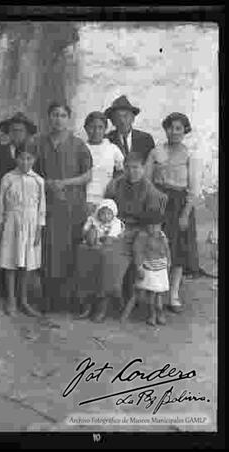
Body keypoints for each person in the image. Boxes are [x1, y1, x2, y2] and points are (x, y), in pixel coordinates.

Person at [76, 152, 167, 323]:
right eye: (128, 167)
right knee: (93, 251)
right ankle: (91, 301)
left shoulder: (149, 190)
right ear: (123, 168)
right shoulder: (116, 185)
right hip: (117, 228)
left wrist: (136, 233)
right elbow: (106, 209)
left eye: (136, 168)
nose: (132, 172)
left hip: (140, 232)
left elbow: (152, 220)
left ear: (143, 169)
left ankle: (105, 302)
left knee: (111, 255)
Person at [35, 102, 93, 312]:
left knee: (69, 249)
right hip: (47, 205)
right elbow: (31, 171)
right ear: (49, 117)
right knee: (48, 249)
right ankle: (48, 297)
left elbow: (88, 175)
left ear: (68, 118)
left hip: (72, 206)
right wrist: (46, 182)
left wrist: (64, 182)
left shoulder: (78, 145)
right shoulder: (39, 143)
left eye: (62, 115)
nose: (58, 119)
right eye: (54, 115)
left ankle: (67, 299)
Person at [145, 112, 200, 313]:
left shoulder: (190, 155)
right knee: (156, 247)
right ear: (165, 129)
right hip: (158, 204)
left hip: (178, 206)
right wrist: (152, 202)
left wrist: (185, 213)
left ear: (185, 131)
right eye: (170, 127)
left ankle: (174, 295)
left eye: (178, 128)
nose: (174, 132)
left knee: (178, 250)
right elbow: (147, 180)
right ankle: (155, 293)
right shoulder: (155, 152)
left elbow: (193, 189)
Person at [0, 112, 38, 294]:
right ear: (8, 133)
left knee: (23, 252)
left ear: (27, 134)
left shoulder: (31, 156)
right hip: (5, 211)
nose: (17, 135)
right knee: (5, 251)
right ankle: (3, 292)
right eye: (13, 131)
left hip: (26, 214)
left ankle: (21, 294)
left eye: (21, 131)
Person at [0, 143, 46, 317]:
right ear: (16, 158)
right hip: (11, 223)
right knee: (10, 262)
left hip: (31, 224)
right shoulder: (8, 178)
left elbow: (41, 207)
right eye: (21, 158)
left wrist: (39, 228)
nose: (25, 162)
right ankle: (11, 300)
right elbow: (0, 202)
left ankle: (24, 300)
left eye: (29, 158)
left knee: (26, 263)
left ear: (34, 160)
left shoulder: (38, 180)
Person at [76, 199, 125, 320]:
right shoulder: (93, 220)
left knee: (104, 277)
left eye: (109, 213)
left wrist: (103, 239)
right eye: (102, 213)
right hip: (91, 252)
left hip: (106, 253)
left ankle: (101, 308)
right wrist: (90, 232)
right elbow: (85, 231)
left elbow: (112, 238)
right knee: (86, 273)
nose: (105, 216)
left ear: (113, 214)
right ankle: (87, 307)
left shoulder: (116, 223)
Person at [120, 215, 171, 326]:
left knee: (159, 294)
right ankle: (152, 314)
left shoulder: (162, 235)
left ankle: (160, 313)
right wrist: (139, 267)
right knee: (151, 294)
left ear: (161, 226)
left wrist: (168, 262)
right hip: (149, 269)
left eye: (156, 226)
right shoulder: (142, 236)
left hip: (160, 269)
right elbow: (138, 252)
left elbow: (166, 249)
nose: (153, 228)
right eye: (151, 226)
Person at [84, 111, 124, 214]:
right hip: (84, 199)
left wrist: (114, 181)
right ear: (86, 128)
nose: (96, 131)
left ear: (105, 129)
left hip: (106, 200)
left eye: (100, 127)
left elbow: (124, 171)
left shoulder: (112, 148)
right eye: (92, 127)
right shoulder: (81, 148)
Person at [105, 95, 155, 164]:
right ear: (112, 121)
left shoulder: (146, 139)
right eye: (118, 117)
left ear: (133, 118)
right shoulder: (107, 140)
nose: (122, 120)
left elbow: (151, 166)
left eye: (126, 116)